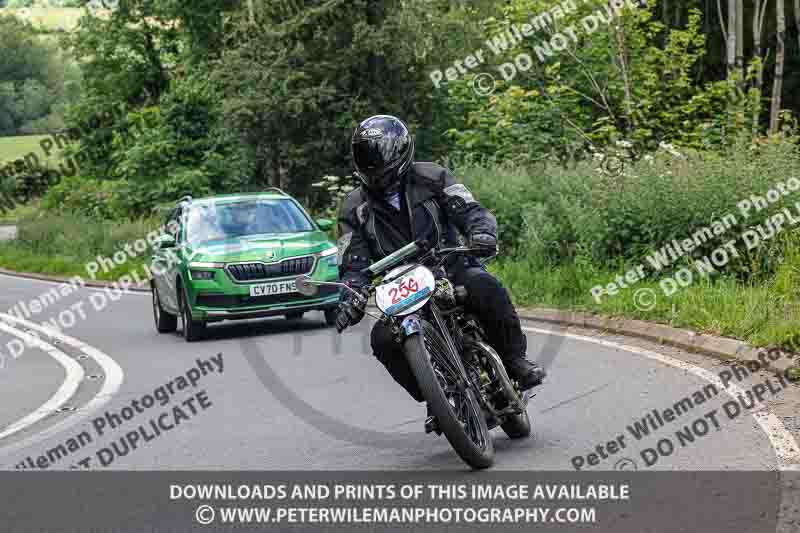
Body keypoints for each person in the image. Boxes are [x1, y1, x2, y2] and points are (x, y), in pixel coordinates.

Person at [335, 115, 546, 427]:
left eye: (378, 158)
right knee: (382, 339)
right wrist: (350, 295)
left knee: (484, 286)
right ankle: (438, 396)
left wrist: (481, 233)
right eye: (366, 159)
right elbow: (352, 261)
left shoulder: (433, 177)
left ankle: (515, 360)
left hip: (448, 265)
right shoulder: (353, 207)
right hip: (401, 286)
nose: (375, 167)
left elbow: (471, 210)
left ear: (399, 151)